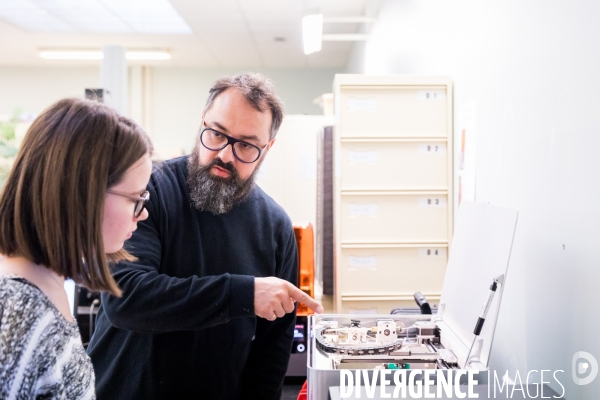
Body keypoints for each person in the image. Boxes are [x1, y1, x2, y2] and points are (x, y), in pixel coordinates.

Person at [88, 73, 323, 399]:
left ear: (267, 149)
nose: (226, 154)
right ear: (202, 124)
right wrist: (244, 295)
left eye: (245, 145)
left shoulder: (276, 227)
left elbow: (271, 351)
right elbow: (124, 297)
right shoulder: (149, 192)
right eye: (217, 134)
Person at [0, 98, 153, 399]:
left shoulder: (43, 286)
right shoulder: (20, 311)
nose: (143, 212)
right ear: (87, 194)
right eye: (136, 198)